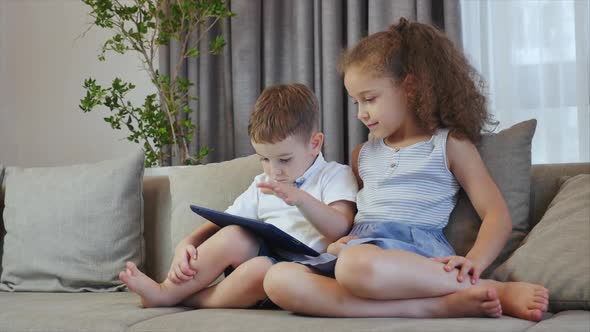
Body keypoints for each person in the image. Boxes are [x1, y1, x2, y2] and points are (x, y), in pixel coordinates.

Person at [262, 18, 549, 321]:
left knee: (354, 265)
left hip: (412, 257)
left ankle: (485, 286)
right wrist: (337, 242)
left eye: (370, 99)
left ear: (410, 88)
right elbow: (357, 219)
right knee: (277, 279)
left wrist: (474, 261)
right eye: (355, 102)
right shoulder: (363, 154)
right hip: (360, 253)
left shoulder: (449, 145)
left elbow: (496, 215)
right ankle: (432, 307)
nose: (361, 113)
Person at [119, 83, 358, 309]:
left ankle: (188, 300)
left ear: (315, 144)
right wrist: (188, 243)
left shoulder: (335, 175)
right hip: (262, 258)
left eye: (284, 159)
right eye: (264, 159)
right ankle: (164, 292)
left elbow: (340, 226)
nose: (273, 170)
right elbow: (224, 222)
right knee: (235, 234)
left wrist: (299, 198)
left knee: (261, 268)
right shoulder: (263, 183)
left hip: (302, 271)